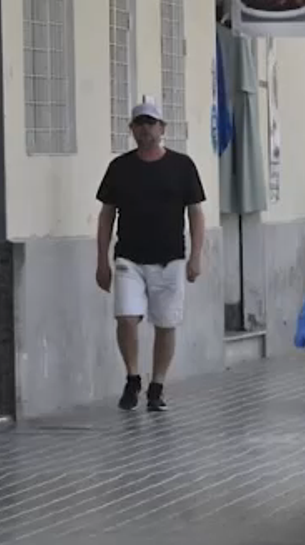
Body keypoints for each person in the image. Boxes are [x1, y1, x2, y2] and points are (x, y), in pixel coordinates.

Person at [95, 101, 207, 412]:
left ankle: (157, 386)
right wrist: (101, 260)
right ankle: (133, 377)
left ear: (162, 129)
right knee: (126, 318)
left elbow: (196, 214)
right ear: (131, 129)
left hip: (170, 257)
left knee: (166, 323)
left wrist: (196, 256)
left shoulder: (182, 167)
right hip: (129, 257)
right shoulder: (120, 168)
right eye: (139, 124)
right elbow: (106, 216)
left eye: (151, 123)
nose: (146, 129)